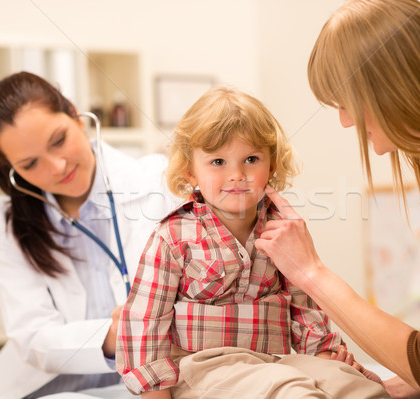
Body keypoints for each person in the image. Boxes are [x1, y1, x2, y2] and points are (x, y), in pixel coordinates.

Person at [254, 0, 420, 398]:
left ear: (391, 88)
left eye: (347, 103)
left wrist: (311, 272)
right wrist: (398, 386)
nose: (346, 122)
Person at [116, 87, 389, 399]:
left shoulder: (280, 232)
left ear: (271, 165)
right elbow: (144, 323)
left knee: (356, 386)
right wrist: (155, 393)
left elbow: (305, 306)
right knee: (293, 392)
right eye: (218, 161)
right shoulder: (174, 237)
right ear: (190, 171)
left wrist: (324, 355)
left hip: (273, 363)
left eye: (250, 159)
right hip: (200, 372)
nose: (237, 175)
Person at [0, 71, 179, 399]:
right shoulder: (2, 221)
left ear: (76, 116)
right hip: (47, 388)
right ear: (10, 168)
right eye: (29, 163)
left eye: (59, 140)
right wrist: (113, 334)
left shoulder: (159, 180)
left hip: (149, 383)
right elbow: (34, 335)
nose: (56, 166)